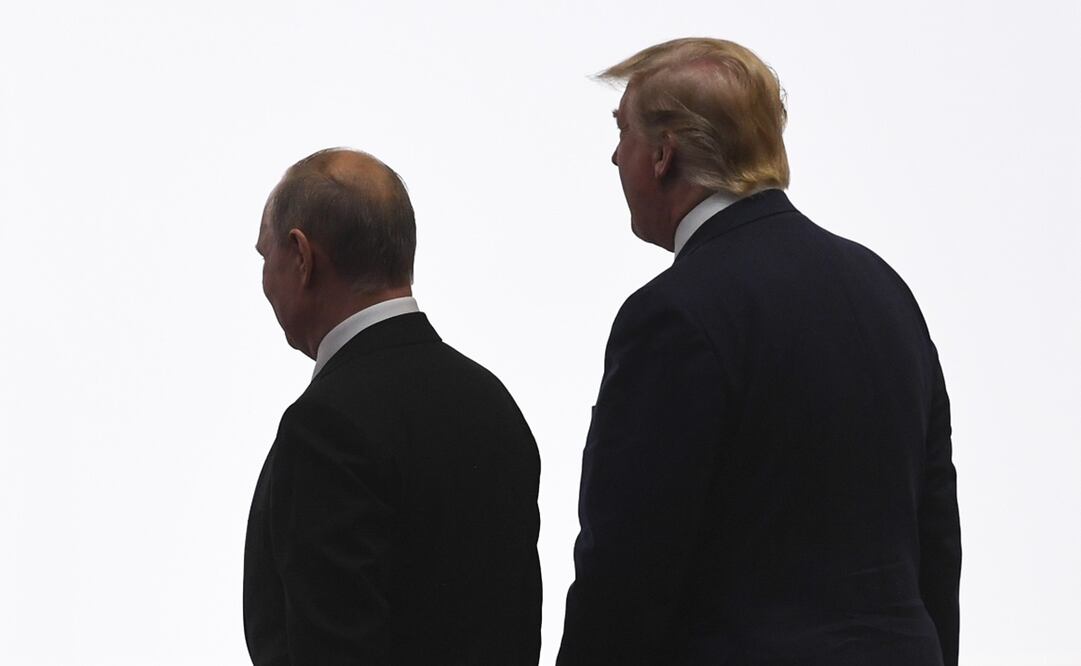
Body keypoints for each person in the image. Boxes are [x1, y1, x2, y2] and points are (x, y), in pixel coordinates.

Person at [557, 38, 960, 666]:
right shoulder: (884, 290)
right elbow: (935, 533)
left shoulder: (674, 313)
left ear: (663, 155)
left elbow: (627, 566)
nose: (615, 156)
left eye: (623, 131)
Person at [244, 148, 541, 665]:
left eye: (263, 254)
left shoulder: (326, 427)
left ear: (301, 255)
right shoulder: (491, 403)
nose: (263, 278)